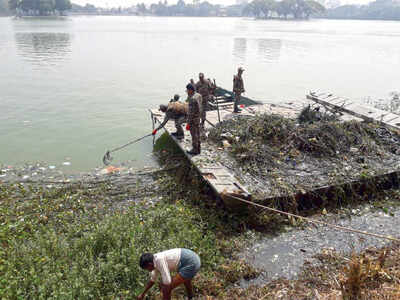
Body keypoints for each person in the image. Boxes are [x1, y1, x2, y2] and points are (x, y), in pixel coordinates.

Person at [137, 248, 201, 300]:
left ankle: (191, 297)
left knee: (165, 289)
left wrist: (162, 285)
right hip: (190, 258)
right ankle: (191, 297)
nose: (148, 270)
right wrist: (143, 294)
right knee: (186, 280)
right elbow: (152, 280)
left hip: (191, 262)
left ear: (149, 264)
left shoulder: (159, 260)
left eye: (147, 268)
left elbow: (167, 282)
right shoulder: (153, 261)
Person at [185, 83, 202, 155]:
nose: (187, 92)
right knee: (197, 133)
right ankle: (198, 148)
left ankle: (195, 150)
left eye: (187, 90)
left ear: (190, 90)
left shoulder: (192, 99)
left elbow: (191, 113)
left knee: (194, 135)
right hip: (198, 118)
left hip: (193, 120)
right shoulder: (198, 95)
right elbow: (200, 106)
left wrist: (188, 123)